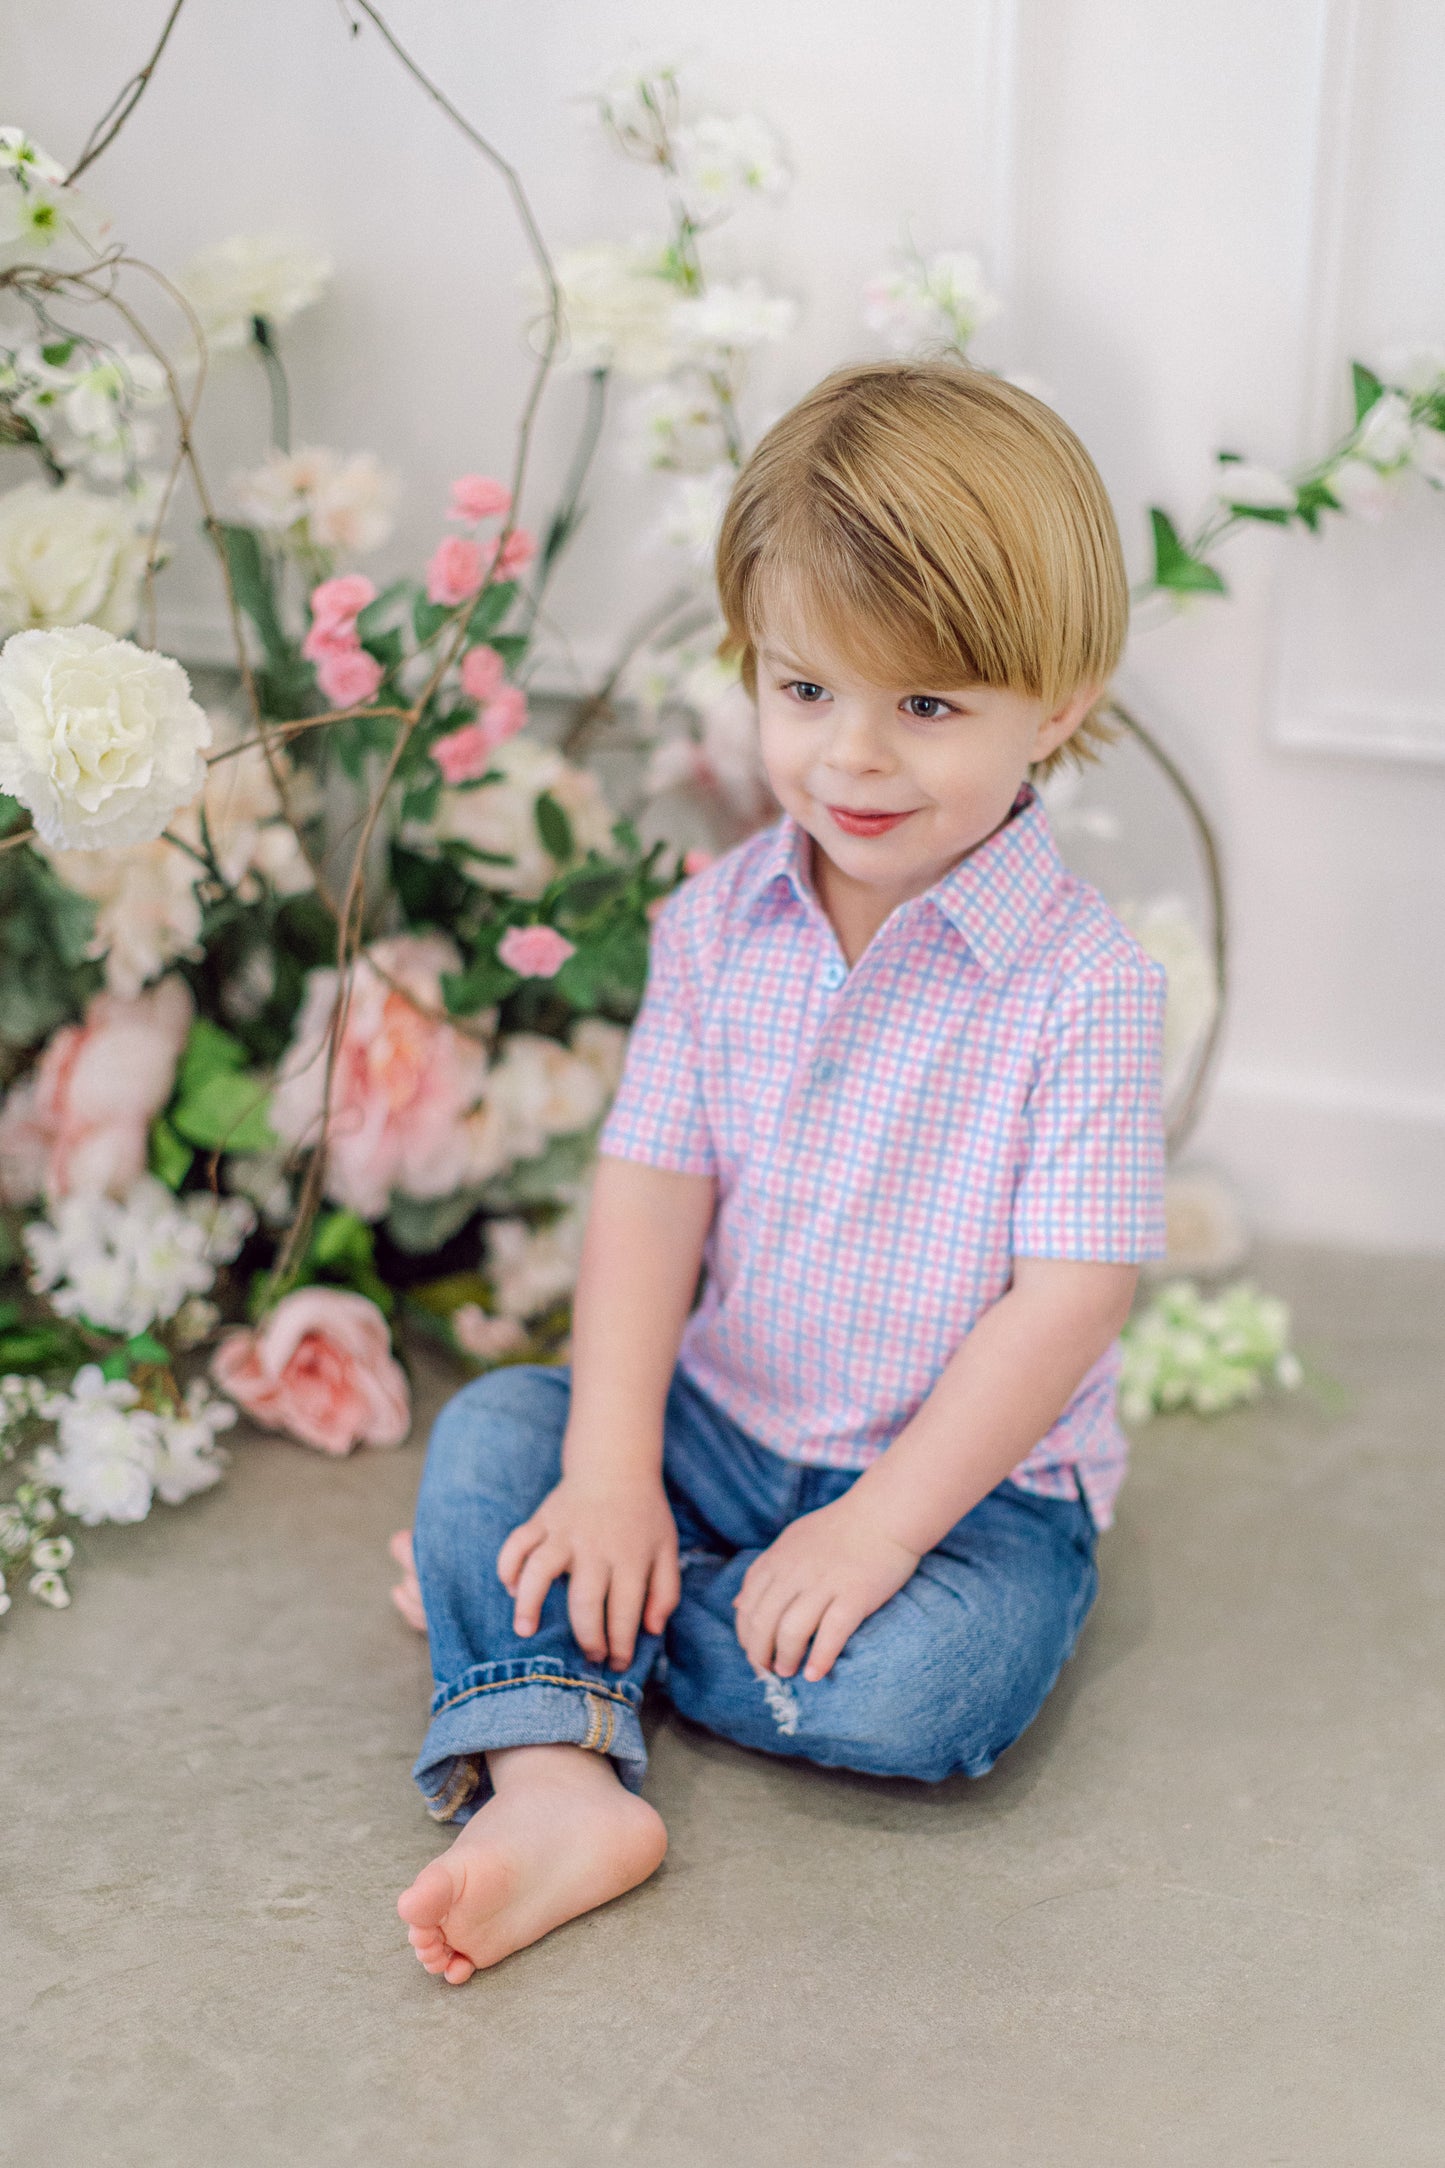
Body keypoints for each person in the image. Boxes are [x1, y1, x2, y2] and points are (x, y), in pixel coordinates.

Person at [393, 357, 1168, 1983]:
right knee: (499, 1436)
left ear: (1065, 698)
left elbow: (1074, 1291)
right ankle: (556, 1785)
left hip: (966, 1496)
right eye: (805, 691)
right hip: (719, 1426)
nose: (854, 763)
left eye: (930, 706)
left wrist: (880, 1535)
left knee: (931, 1692)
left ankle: (535, 1651)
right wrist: (609, 1473)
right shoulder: (717, 920)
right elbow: (650, 1191)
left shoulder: (1084, 983)